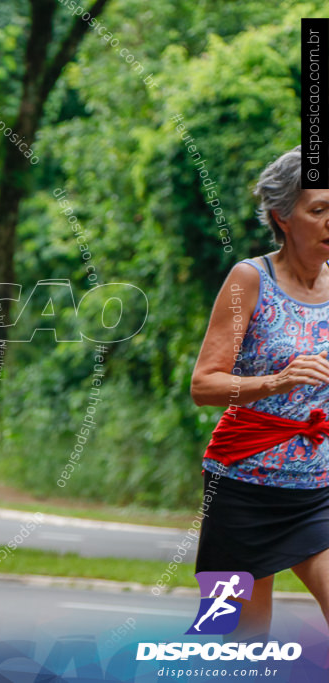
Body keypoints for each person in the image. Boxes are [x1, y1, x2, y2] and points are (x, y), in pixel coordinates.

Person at [192, 145, 329, 640]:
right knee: (237, 645)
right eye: (319, 210)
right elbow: (204, 385)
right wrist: (277, 381)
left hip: (316, 491)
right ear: (283, 216)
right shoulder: (249, 280)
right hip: (242, 488)